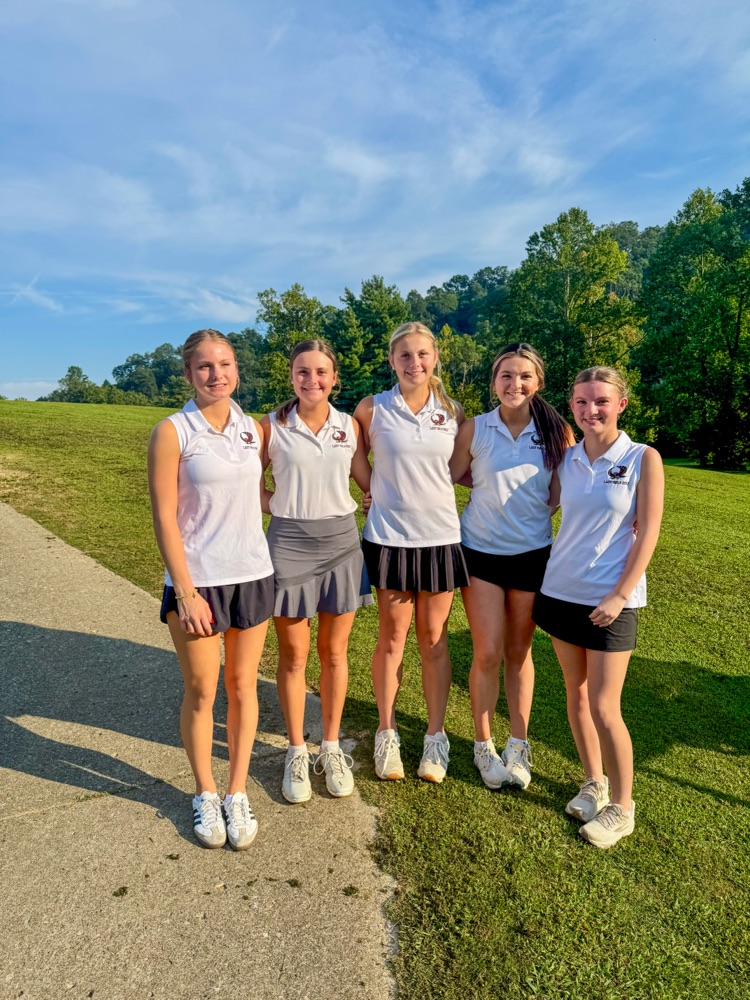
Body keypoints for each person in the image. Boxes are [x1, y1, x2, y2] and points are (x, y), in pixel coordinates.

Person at [148, 329, 274, 851]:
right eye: (204, 366)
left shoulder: (253, 429)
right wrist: (186, 590)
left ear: (237, 370)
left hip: (252, 574)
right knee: (203, 691)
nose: (216, 374)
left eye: (224, 364)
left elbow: (257, 495)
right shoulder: (173, 431)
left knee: (244, 689)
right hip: (198, 583)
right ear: (188, 374)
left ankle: (236, 791)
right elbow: (163, 515)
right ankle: (204, 792)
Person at [533, 366, 664, 848]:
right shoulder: (566, 459)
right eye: (583, 403)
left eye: (601, 402)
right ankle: (594, 782)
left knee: (607, 706)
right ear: (573, 407)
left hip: (611, 601)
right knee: (577, 693)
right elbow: (538, 505)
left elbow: (648, 531)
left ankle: (623, 807)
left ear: (621, 405)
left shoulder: (641, 457)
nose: (592, 410)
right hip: (560, 590)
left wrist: (619, 594)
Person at [449, 343, 574, 791]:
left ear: (538, 382)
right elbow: (455, 476)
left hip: (533, 555)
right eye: (505, 375)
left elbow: (562, 493)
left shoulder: (558, 431)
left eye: (524, 376)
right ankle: (483, 746)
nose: (514, 384)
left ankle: (518, 745)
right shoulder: (475, 428)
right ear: (493, 381)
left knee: (519, 654)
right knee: (487, 652)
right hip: (479, 553)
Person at [260, 340, 373, 804]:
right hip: (288, 545)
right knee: (293, 655)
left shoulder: (349, 426)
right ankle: (295, 750)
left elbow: (366, 479)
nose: (312, 380)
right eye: (303, 372)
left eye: (321, 372)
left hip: (343, 544)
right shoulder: (269, 426)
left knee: (334, 653)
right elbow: (245, 483)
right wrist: (276, 507)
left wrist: (379, 497)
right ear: (291, 376)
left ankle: (329, 745)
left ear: (334, 377)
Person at [354, 321, 467, 784]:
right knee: (392, 639)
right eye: (405, 355)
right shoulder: (372, 408)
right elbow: (355, 456)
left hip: (440, 538)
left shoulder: (454, 410)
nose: (414, 362)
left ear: (435, 357)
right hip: (390, 539)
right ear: (391, 360)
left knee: (434, 641)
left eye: (422, 354)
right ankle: (387, 733)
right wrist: (372, 489)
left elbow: (460, 470)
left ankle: (435, 739)